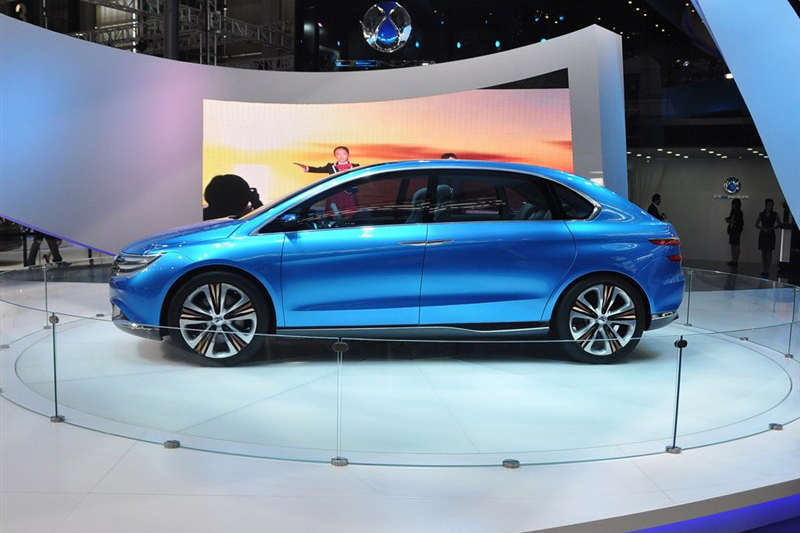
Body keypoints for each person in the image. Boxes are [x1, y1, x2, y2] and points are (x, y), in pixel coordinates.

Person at [293, 146, 359, 175]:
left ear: (348, 154)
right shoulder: (330, 167)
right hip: (335, 192)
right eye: (338, 154)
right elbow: (318, 170)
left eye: (344, 154)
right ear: (335, 156)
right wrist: (306, 167)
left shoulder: (356, 166)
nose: (341, 156)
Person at [756, 198, 778, 277]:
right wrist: (762, 228)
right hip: (763, 234)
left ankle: (767, 270)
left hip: (771, 234)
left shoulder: (775, 214)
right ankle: (763, 269)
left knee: (769, 252)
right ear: (765, 205)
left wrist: (772, 228)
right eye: (769, 204)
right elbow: (756, 224)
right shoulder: (761, 214)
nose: (770, 206)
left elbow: (779, 224)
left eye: (771, 205)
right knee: (763, 253)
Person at [725, 198, 744, 266]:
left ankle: (736, 261)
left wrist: (730, 221)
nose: (734, 205)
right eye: (733, 204)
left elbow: (738, 222)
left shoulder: (739, 212)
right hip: (732, 230)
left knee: (736, 246)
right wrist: (728, 219)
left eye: (735, 204)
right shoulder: (733, 211)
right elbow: (731, 219)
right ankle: (733, 260)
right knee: (733, 245)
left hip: (736, 231)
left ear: (738, 205)